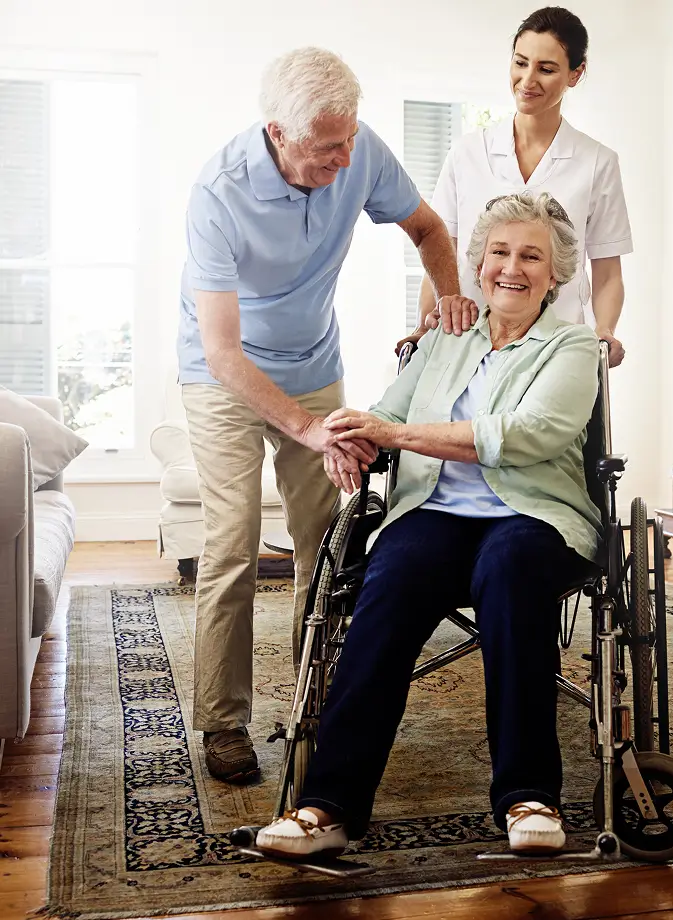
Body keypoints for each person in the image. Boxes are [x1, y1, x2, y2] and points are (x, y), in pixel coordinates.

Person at [255, 191, 602, 858]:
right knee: (390, 580)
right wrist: (353, 440)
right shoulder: (444, 339)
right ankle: (328, 806)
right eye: (499, 252)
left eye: (531, 256)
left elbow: (529, 434)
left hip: (534, 515)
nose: (512, 268)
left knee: (510, 568)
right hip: (434, 510)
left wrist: (396, 433)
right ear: (479, 263)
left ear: (555, 273)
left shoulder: (572, 345)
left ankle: (529, 795)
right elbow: (387, 414)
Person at [178, 47, 466, 784]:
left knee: (326, 539)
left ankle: (320, 698)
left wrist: (450, 306)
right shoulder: (219, 191)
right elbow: (222, 352)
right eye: (327, 147)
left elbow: (429, 229)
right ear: (277, 133)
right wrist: (308, 429)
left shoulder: (358, 148)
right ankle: (223, 720)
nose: (345, 158)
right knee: (233, 541)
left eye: (350, 139)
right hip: (224, 376)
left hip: (312, 366)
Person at [415, 6, 632, 367]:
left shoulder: (597, 162)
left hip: (557, 351)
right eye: (520, 63)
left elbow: (608, 272)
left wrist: (604, 331)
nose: (528, 80)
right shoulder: (467, 153)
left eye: (546, 69)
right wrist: (422, 326)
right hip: (468, 344)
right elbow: (441, 250)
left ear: (575, 74)